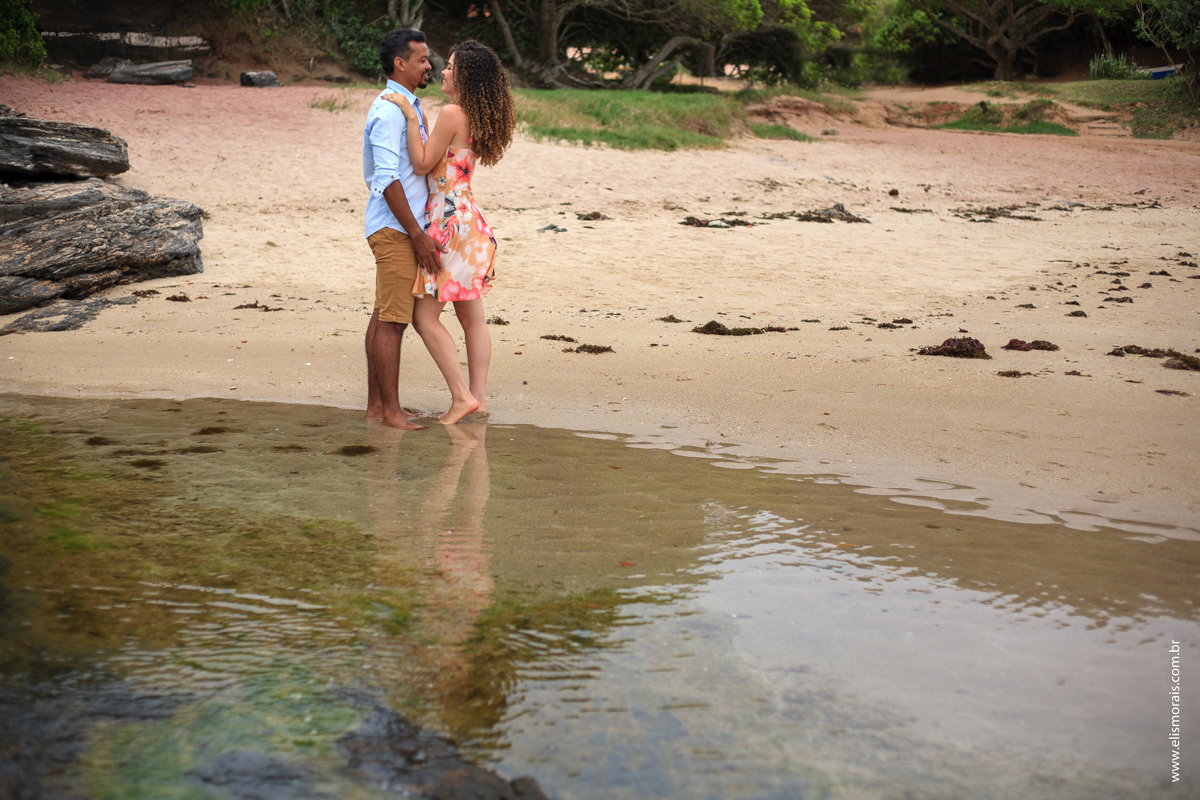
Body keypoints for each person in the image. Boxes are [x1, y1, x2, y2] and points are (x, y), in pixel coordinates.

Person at [381, 39, 516, 423]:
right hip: (472, 223)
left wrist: (409, 116)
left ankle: (461, 399)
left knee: (424, 319)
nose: (441, 70)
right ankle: (479, 400)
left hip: (449, 223)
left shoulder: (453, 112)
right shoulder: (479, 114)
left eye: (450, 66)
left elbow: (422, 163)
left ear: (465, 76)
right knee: (473, 319)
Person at [362, 28, 445, 429]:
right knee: (393, 321)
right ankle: (390, 413)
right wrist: (417, 234)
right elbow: (387, 179)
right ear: (400, 62)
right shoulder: (388, 110)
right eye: (422, 59)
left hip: (401, 226)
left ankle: (378, 407)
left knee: (383, 315)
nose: (429, 65)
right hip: (396, 229)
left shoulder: (405, 107)